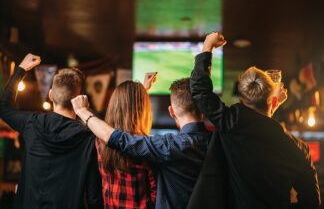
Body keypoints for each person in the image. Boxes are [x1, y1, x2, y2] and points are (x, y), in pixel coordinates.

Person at [187, 32, 321, 208]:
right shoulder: (298, 149)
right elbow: (312, 202)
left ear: (241, 100)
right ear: (272, 101)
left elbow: (199, 91)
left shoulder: (229, 122)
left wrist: (207, 46)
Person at [71, 78, 211, 209]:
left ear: (171, 111)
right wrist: (140, 95)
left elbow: (116, 137)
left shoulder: (99, 141)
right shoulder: (157, 147)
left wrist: (82, 111)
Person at [0, 54, 103, 209]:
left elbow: (4, 108)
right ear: (79, 100)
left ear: (50, 95)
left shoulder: (32, 123)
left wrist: (20, 70)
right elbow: (94, 197)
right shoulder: (88, 137)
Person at [95, 80, 157, 208]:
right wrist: (140, 95)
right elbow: (155, 193)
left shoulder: (100, 140)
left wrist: (141, 92)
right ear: (142, 108)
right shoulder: (145, 146)